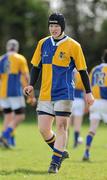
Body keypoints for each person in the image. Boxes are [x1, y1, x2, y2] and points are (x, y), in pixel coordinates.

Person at [23, 13, 94, 173]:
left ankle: (54, 163)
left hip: (64, 92)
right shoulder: (42, 43)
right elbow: (36, 67)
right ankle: (60, 152)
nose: (53, 29)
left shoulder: (74, 46)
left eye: (56, 26)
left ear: (62, 27)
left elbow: (82, 71)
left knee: (62, 126)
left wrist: (88, 92)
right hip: (46, 93)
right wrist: (30, 85)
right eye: (51, 26)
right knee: (43, 129)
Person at [0, 39, 30, 148]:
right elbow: (26, 76)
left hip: (3, 93)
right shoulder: (20, 58)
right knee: (20, 116)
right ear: (16, 48)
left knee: (8, 116)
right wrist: (30, 95)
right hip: (14, 92)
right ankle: (4, 135)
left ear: (7, 47)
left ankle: (5, 141)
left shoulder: (1, 59)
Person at [83, 49, 107, 161]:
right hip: (105, 101)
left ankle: (86, 152)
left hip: (94, 102)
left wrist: (86, 104)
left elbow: (88, 86)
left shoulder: (95, 69)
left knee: (92, 129)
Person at [67, 69, 85, 148]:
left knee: (67, 123)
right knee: (77, 123)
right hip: (79, 99)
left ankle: (65, 142)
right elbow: (85, 89)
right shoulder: (81, 72)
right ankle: (75, 142)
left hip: (69, 98)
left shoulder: (68, 70)